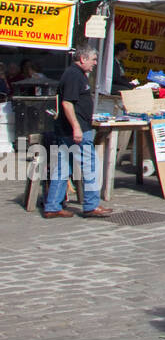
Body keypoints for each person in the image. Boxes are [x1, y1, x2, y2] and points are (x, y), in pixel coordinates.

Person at [44, 44, 111, 219]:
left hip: (68, 130)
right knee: (90, 166)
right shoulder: (74, 75)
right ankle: (91, 205)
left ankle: (52, 206)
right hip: (75, 130)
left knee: (63, 167)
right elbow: (67, 103)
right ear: (83, 59)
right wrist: (77, 127)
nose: (95, 63)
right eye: (93, 60)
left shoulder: (75, 74)